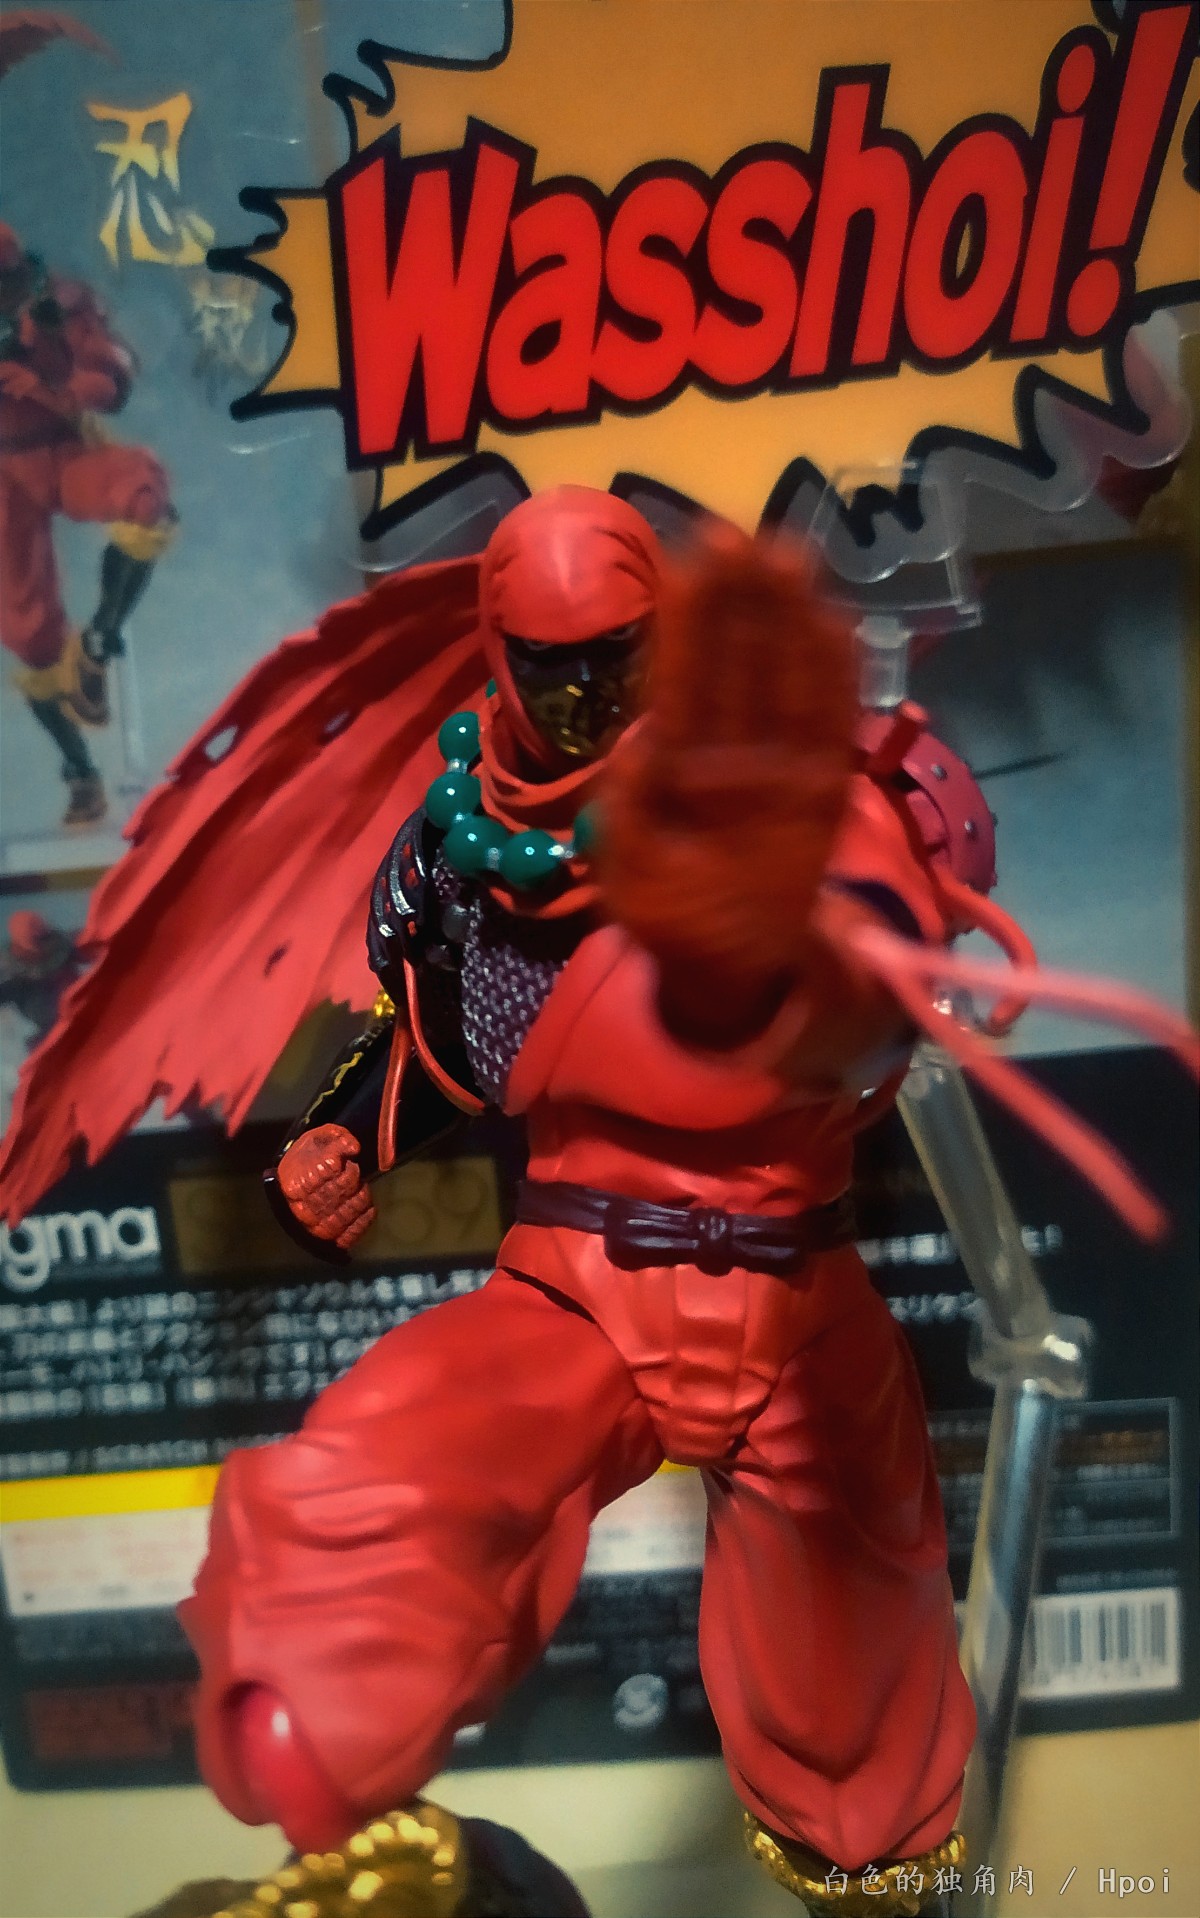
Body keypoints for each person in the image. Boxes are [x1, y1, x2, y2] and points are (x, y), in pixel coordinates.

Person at [179, 490, 992, 1915]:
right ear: (500, 652)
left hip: (795, 1295)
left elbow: (880, 998)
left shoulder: (788, 797)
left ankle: (872, 1876)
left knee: (857, 1663)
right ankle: (320, 1715)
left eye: (612, 652)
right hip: (580, 1278)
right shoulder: (466, 839)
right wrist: (346, 1136)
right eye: (547, 662)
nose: (581, 694)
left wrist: (788, 951)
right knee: (391, 1459)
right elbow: (443, 1035)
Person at [0, 221, 174, 825]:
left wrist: (51, 385)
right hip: (5, 481)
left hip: (63, 449)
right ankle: (80, 772)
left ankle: (99, 641)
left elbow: (111, 377)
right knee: (27, 634)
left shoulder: (60, 305)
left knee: (142, 492)